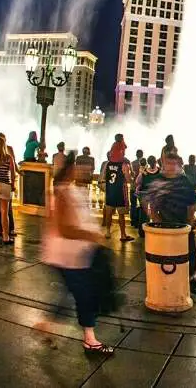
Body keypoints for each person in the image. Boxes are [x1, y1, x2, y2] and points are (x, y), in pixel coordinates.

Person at [43, 152, 115, 356]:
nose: (80, 170)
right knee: (85, 295)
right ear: (69, 170)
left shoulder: (62, 190)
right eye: (76, 167)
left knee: (71, 293)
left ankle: (49, 326)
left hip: (67, 255)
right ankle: (89, 340)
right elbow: (66, 228)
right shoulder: (63, 193)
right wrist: (92, 236)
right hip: (70, 256)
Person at [141, 153, 196, 294]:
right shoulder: (158, 181)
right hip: (164, 225)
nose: (171, 167)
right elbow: (146, 199)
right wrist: (154, 217)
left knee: (190, 253)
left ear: (178, 165)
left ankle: (192, 278)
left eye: (174, 164)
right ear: (163, 165)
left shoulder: (185, 181)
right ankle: (167, 280)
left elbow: (192, 202)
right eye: (168, 164)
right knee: (164, 255)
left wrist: (190, 220)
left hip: (183, 225)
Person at [100, 145, 134, 242]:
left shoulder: (107, 164)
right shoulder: (124, 165)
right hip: (120, 192)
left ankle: (107, 232)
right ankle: (123, 234)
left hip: (110, 191)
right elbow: (128, 179)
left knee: (109, 213)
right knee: (121, 215)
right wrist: (132, 177)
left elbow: (103, 177)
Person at [130, 149, 146, 234]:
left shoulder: (132, 163)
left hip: (133, 187)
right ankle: (139, 223)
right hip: (141, 189)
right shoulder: (145, 165)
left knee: (133, 205)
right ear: (142, 155)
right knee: (142, 206)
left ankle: (133, 221)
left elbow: (131, 175)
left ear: (136, 155)